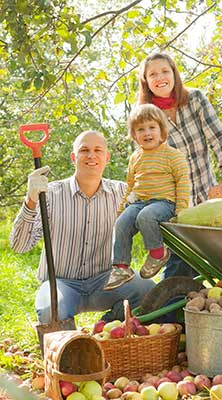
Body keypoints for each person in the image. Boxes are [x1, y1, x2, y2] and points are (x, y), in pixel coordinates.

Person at [10, 130, 155, 324]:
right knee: (49, 311)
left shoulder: (122, 193)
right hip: (61, 283)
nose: (91, 155)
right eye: (84, 150)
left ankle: (108, 326)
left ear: (106, 157)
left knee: (148, 291)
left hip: (106, 281)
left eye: (98, 150)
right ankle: (72, 349)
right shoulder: (50, 194)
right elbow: (19, 246)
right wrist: (30, 200)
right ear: (73, 157)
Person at [137, 52, 222, 277]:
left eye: (164, 71)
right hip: (175, 202)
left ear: (174, 73)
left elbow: (217, 136)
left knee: (220, 256)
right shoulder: (145, 116)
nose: (160, 77)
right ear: (146, 82)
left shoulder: (195, 99)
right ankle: (171, 308)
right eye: (153, 74)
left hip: (207, 193)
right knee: (180, 262)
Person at [103, 104, 190, 290]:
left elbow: (183, 183)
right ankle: (121, 267)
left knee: (146, 216)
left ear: (161, 131)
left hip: (165, 203)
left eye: (152, 127)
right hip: (140, 202)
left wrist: (181, 210)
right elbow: (131, 185)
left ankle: (158, 253)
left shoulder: (173, 156)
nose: (147, 133)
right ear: (134, 135)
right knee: (121, 223)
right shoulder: (136, 157)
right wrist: (121, 208)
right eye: (140, 129)